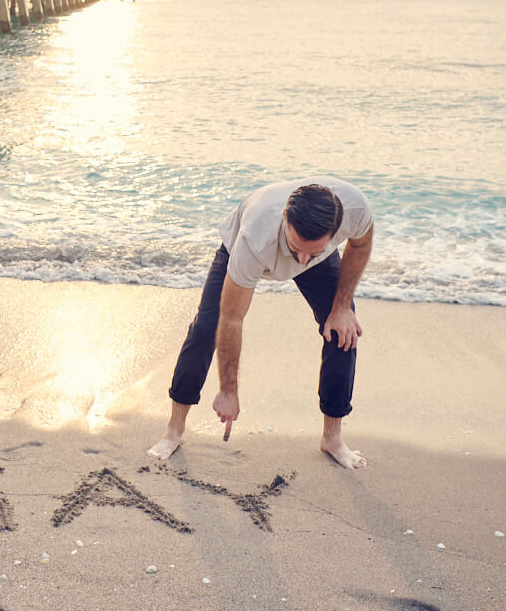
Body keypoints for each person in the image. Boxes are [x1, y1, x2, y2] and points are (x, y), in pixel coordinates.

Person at [146, 180, 374, 468]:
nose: (301, 260)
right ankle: (174, 430)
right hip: (246, 249)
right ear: (284, 219)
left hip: (322, 260)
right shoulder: (254, 239)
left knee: (343, 331)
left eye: (311, 252)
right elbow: (232, 318)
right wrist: (228, 390)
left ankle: (332, 438)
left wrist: (341, 306)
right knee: (206, 329)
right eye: (296, 249)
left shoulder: (355, 208)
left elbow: (361, 243)